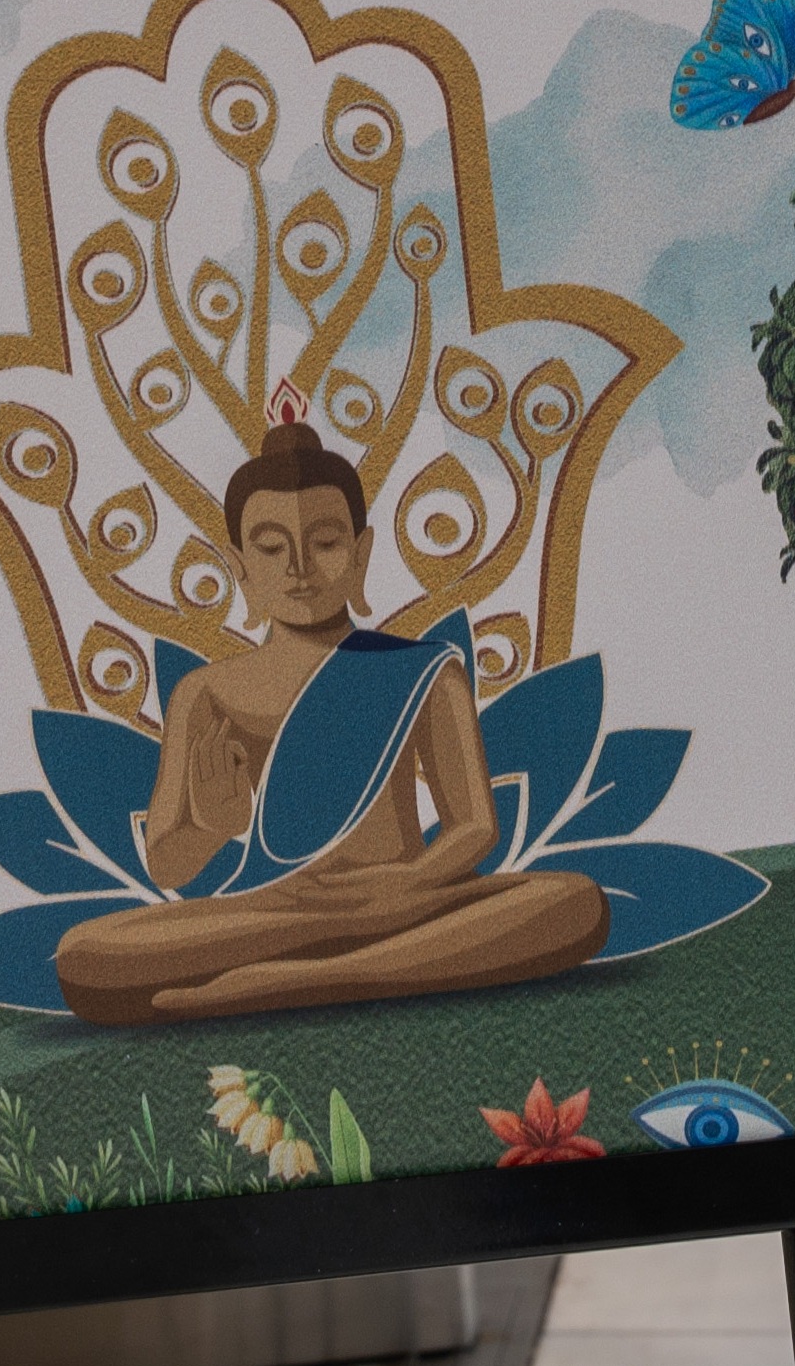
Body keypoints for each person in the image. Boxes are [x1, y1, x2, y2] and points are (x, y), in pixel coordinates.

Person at [50, 419, 613, 1024]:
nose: (298, 568)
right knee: (86, 955)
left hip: (405, 898)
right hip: (273, 911)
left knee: (571, 900)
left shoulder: (421, 670)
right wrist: (213, 826)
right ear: (239, 567)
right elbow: (165, 864)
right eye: (270, 547)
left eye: (324, 541)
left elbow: (474, 827)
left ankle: (300, 981)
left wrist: (406, 884)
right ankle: (364, 965)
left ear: (361, 553)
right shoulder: (206, 692)